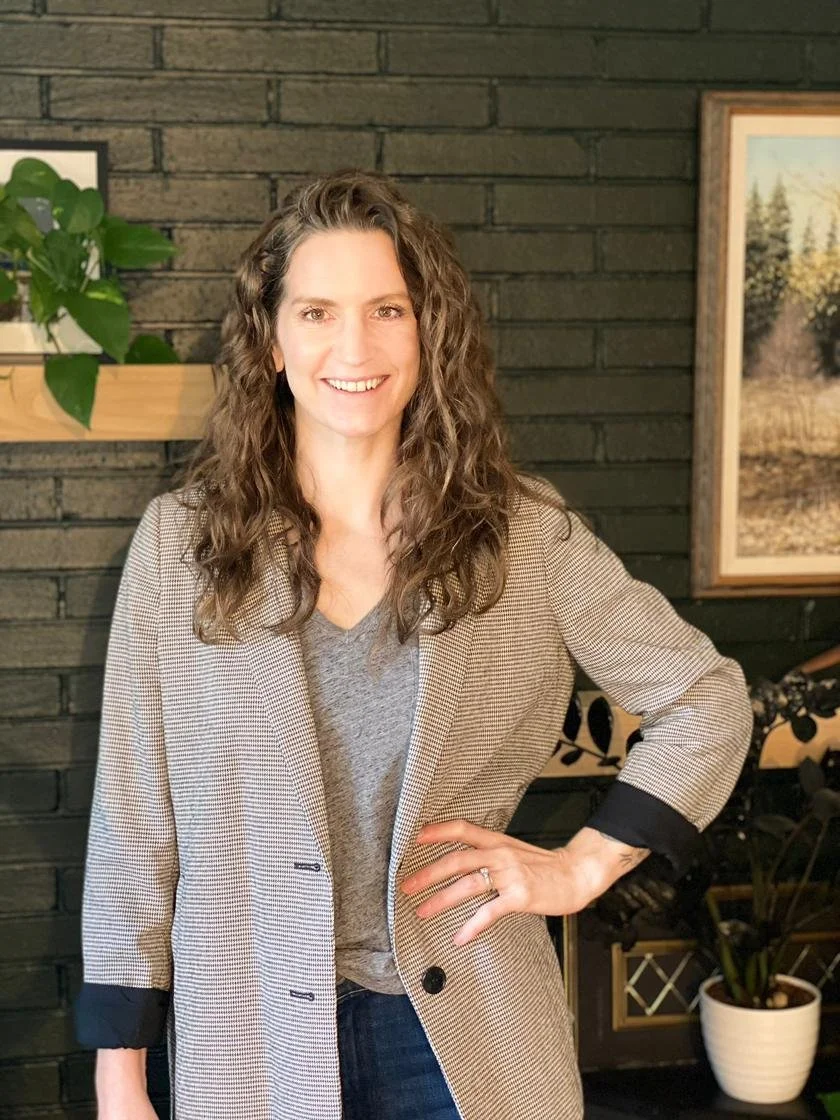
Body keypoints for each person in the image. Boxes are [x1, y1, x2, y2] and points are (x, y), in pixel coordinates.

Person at [72, 167, 754, 1120]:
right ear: (271, 341)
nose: (354, 345)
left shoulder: (522, 536)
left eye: (387, 308)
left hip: (465, 1029)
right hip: (254, 1029)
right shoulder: (180, 549)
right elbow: (135, 828)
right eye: (316, 312)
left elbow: (708, 699)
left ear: (429, 330)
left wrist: (579, 865)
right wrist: (120, 1078)